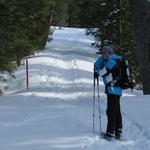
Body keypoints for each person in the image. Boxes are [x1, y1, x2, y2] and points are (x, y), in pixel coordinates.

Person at [94, 45, 123, 140]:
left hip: (113, 89)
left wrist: (97, 71)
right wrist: (100, 61)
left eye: (106, 53)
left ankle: (110, 133)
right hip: (114, 89)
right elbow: (97, 65)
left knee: (111, 111)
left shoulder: (112, 62)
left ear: (111, 53)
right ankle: (118, 131)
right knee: (116, 110)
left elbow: (102, 72)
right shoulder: (115, 60)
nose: (104, 55)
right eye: (103, 53)